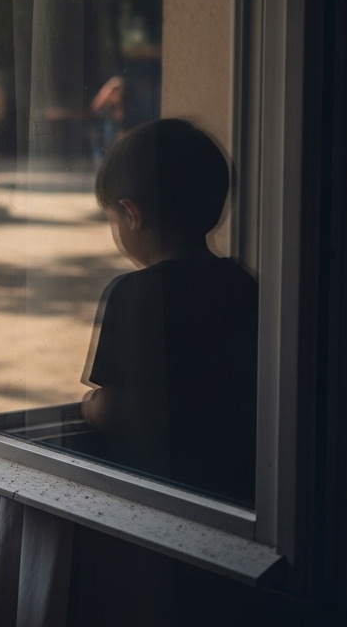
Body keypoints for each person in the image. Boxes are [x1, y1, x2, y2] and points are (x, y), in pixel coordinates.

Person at [79, 118, 258, 505]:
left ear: (132, 215)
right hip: (237, 489)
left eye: (113, 219)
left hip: (156, 495)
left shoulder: (132, 294)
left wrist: (92, 408)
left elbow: (119, 407)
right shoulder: (244, 285)